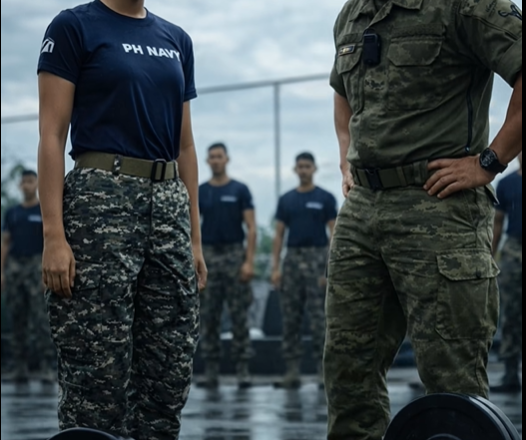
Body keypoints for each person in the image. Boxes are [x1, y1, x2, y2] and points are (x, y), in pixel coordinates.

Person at [327, 0, 522, 438]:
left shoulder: (462, 5)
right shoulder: (353, 13)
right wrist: (346, 159)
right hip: (361, 210)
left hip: (439, 204)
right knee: (347, 374)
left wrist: (489, 161)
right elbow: (342, 91)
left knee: (452, 379)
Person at [37, 1, 207, 439]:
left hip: (168, 203)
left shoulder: (176, 39)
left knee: (169, 363)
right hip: (100, 200)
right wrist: (54, 235)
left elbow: (186, 146)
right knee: (97, 365)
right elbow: (51, 135)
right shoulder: (75, 26)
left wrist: (194, 239)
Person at [272, 152, 338, 389]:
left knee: (319, 319)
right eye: (300, 166)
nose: (303, 170)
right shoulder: (287, 200)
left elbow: (334, 233)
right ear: (295, 170)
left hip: (317, 259)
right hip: (292, 261)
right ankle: (292, 372)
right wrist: (275, 267)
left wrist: (329, 268)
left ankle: (323, 373)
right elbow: (279, 234)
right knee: (290, 319)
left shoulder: (325, 198)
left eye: (307, 166)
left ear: (314, 169)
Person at [197, 143, 257, 389]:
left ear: (227, 159)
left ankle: (243, 370)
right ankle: (211, 372)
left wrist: (248, 262)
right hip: (209, 256)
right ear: (207, 161)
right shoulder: (201, 191)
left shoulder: (240, 190)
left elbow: (251, 228)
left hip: (234, 256)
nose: (215, 160)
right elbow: (193, 227)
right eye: (211, 157)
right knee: (209, 316)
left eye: (219, 156)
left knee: (239, 316)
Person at [1, 170, 55, 385]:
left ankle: (46, 368)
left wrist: (46, 273)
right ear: (19, 186)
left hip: (37, 268)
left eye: (30, 181)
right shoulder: (12, 213)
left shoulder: (43, 211)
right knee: (17, 318)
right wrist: (2, 272)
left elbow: (49, 241)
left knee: (41, 320)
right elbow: (5, 242)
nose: (26, 185)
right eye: (23, 182)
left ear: (37, 184)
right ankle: (19, 368)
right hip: (15, 268)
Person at [491, 153, 523, 393]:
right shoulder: (507, 183)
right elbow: (497, 223)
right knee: (511, 313)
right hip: (514, 251)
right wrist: (490, 256)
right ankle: (510, 373)